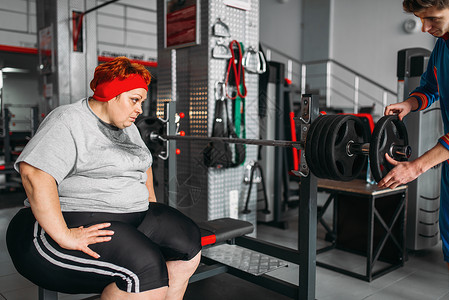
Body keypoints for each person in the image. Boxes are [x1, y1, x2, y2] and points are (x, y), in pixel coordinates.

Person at [6, 56, 202, 299]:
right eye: (134, 100)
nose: (139, 109)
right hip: (53, 231)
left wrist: (148, 204)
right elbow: (34, 174)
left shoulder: (128, 127)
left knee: (188, 244)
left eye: (141, 101)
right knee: (146, 270)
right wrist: (65, 235)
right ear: (111, 93)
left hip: (125, 219)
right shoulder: (68, 120)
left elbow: (143, 164)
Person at [379, 0, 449, 269]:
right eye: (421, 19)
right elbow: (430, 86)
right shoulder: (442, 45)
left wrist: (416, 167)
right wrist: (409, 103)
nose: (424, 27)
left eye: (431, 18)